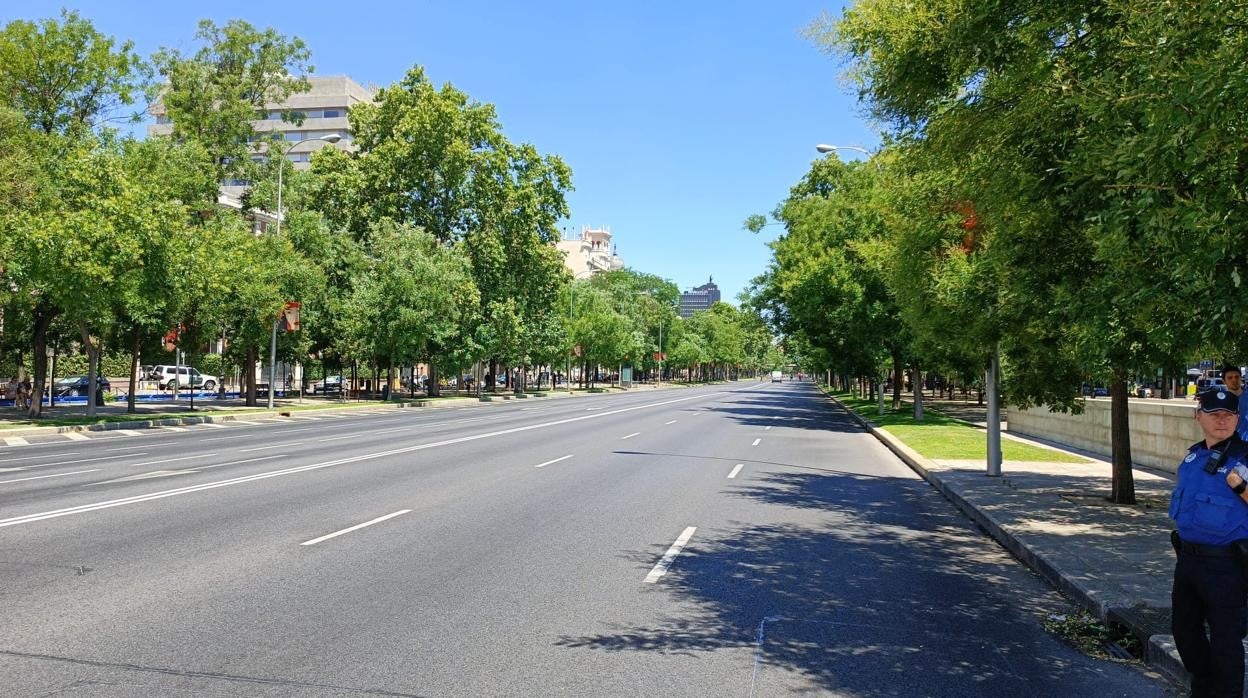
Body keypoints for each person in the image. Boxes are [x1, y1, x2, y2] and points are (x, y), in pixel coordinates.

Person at [1170, 388, 1248, 697]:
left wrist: (1241, 485)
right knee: (1184, 632)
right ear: (1198, 417)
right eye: (1214, 414)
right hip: (1188, 561)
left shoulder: (1245, 457)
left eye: (1228, 415)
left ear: (1237, 419)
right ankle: (1204, 689)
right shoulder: (1193, 456)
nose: (1221, 421)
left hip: (1226, 565)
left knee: (1226, 641)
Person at [1221, 365, 1248, 441]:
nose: (1234, 380)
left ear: (1241, 378)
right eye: (1230, 378)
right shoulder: (1220, 401)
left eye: (1237, 377)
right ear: (1224, 381)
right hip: (1230, 446)